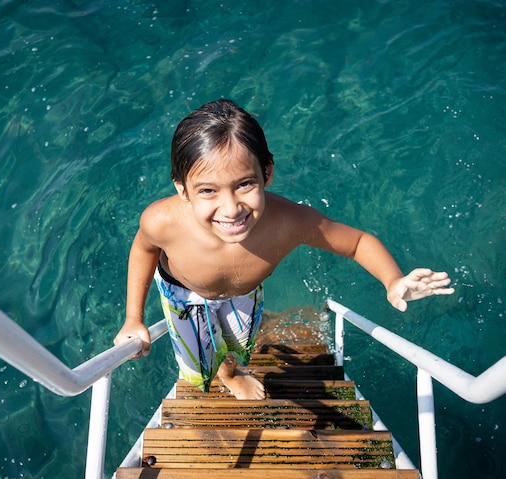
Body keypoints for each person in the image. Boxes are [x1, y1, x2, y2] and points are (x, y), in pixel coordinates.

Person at [113, 99, 454, 400]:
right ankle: (220, 375)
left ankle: (231, 369)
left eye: (244, 184)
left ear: (267, 173)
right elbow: (144, 250)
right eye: (208, 191)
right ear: (183, 190)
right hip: (183, 295)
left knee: (239, 344)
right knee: (197, 368)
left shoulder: (289, 222)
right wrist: (134, 318)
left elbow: (358, 242)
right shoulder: (162, 221)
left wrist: (393, 280)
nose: (231, 209)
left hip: (243, 292)